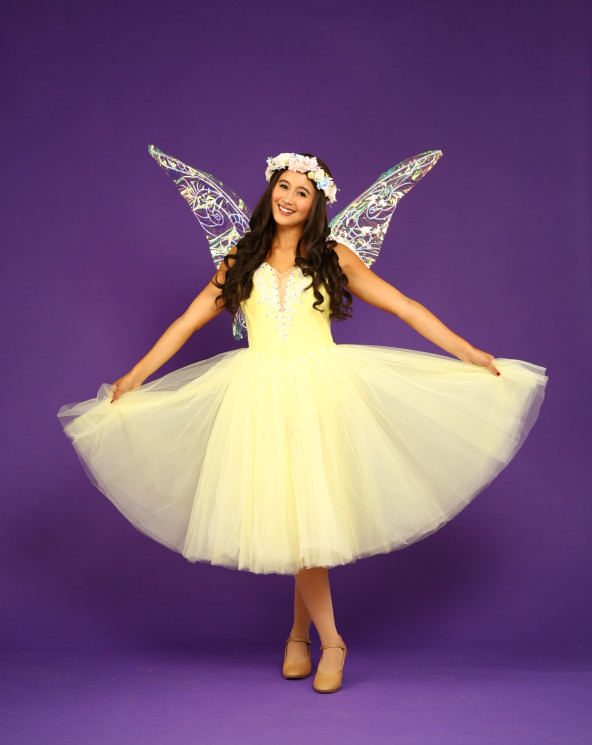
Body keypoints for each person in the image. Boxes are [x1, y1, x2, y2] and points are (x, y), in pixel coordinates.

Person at [58, 151, 547, 694]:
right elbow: (187, 321)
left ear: (316, 205)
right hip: (260, 397)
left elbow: (404, 306)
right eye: (283, 186)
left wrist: (467, 351)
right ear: (270, 190)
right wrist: (134, 377)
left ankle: (330, 642)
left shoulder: (333, 256)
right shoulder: (241, 258)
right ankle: (299, 636)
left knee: (306, 514)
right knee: (295, 517)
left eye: (302, 192)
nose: (289, 198)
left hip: (319, 395)